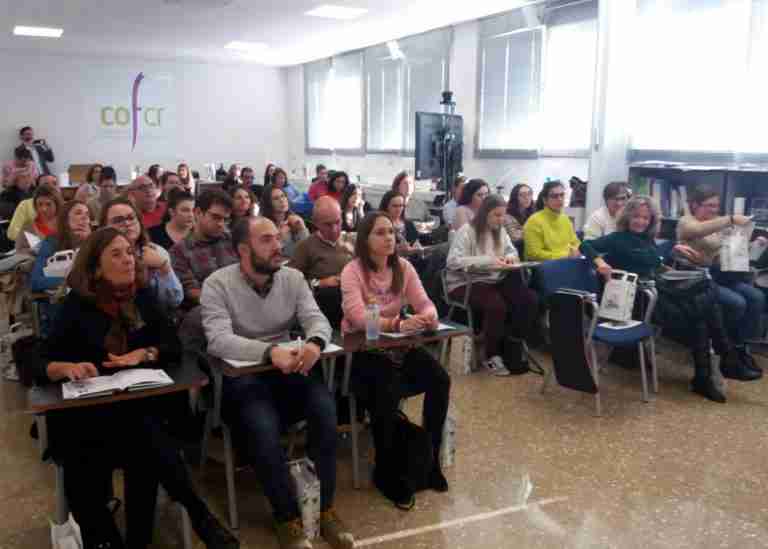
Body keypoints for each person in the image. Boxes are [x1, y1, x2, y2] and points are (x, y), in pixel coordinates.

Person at [34, 227, 239, 549]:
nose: (128, 259)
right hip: (88, 416)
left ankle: (143, 538)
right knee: (143, 445)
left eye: (129, 252)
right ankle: (199, 517)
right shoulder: (77, 303)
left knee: (145, 439)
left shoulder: (142, 295)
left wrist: (145, 353)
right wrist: (66, 368)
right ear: (96, 267)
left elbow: (172, 344)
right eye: (116, 254)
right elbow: (39, 358)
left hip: (139, 406)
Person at [201, 216, 353, 549]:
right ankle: (288, 518)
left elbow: (316, 320)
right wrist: (269, 352)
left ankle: (325, 508)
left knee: (325, 412)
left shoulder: (293, 278)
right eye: (267, 240)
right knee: (263, 427)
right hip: (244, 376)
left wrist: (313, 343)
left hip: (288, 370)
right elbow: (218, 340)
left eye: (277, 238)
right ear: (244, 249)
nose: (278, 247)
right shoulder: (217, 284)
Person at [580, 196, 759, 402]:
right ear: (627, 216)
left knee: (701, 313)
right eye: (636, 216)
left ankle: (706, 376)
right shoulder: (617, 238)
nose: (641, 221)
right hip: (639, 302)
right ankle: (726, 359)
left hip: (657, 295)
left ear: (652, 220)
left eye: (646, 218)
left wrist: (671, 251)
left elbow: (654, 262)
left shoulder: (647, 240)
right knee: (705, 301)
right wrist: (600, 262)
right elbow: (586, 245)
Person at [341, 211, 451, 508]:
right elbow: (357, 316)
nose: (389, 237)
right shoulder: (352, 271)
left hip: (400, 346)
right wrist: (396, 324)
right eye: (380, 232)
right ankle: (387, 473)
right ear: (365, 239)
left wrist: (427, 318)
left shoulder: (403, 267)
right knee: (386, 392)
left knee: (440, 379)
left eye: (391, 231)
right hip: (365, 352)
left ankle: (431, 460)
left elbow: (426, 304)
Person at [446, 195, 539, 375]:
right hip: (464, 282)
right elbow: (453, 261)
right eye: (497, 215)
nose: (501, 219)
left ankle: (511, 344)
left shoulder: (500, 231)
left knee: (529, 300)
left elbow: (511, 251)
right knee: (496, 306)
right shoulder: (467, 230)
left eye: (503, 215)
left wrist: (511, 258)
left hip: (492, 279)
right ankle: (491, 355)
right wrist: (488, 261)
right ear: (484, 214)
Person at [676, 185, 765, 371]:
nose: (714, 210)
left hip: (720, 274)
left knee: (757, 298)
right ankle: (725, 348)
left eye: (716, 206)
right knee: (737, 302)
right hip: (697, 279)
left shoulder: (718, 222)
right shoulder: (686, 221)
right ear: (694, 205)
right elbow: (697, 230)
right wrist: (730, 219)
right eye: (709, 205)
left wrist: (754, 245)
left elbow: (728, 252)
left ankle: (740, 347)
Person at [101, 197, 183, 312]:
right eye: (118, 220)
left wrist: (164, 267)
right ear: (104, 227)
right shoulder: (98, 255)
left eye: (131, 218)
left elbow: (174, 301)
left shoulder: (157, 251)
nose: (127, 223)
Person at [289, 197, 355, 327]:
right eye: (328, 224)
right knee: (331, 293)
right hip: (327, 301)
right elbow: (290, 283)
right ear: (316, 223)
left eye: (338, 222)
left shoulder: (351, 240)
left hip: (354, 295)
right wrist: (319, 283)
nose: (335, 229)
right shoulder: (306, 247)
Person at [170, 189, 238, 307]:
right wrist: (228, 302)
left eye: (225, 219)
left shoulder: (232, 240)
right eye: (216, 217)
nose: (221, 224)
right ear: (198, 213)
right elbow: (191, 292)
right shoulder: (179, 251)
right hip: (209, 310)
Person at [523, 180, 581, 261]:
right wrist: (565, 255)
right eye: (554, 196)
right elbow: (534, 254)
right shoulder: (533, 222)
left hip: (569, 262)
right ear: (545, 200)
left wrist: (576, 251)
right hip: (546, 268)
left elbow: (576, 242)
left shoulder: (565, 219)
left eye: (562, 195)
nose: (560, 199)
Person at [260, 183, 309, 259]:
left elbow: (308, 250)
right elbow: (268, 257)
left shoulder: (295, 220)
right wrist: (281, 238)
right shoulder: (264, 226)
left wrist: (302, 228)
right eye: (276, 198)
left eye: (283, 196)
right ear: (268, 203)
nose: (282, 200)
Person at [7, 173, 60, 240]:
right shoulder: (25, 205)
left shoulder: (65, 205)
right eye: (46, 184)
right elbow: (12, 233)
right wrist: (35, 240)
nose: (52, 187)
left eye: (55, 183)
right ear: (38, 188)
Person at [15, 184, 61, 255]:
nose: (44, 209)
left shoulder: (66, 222)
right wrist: (33, 252)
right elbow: (19, 251)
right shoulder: (27, 227)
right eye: (40, 204)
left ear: (57, 204)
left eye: (48, 204)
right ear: (35, 206)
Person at [379, 190, 419, 255]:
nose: (398, 209)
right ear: (386, 206)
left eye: (401, 206)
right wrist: (396, 249)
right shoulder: (379, 224)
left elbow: (415, 241)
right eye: (395, 206)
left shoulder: (408, 223)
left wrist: (416, 247)